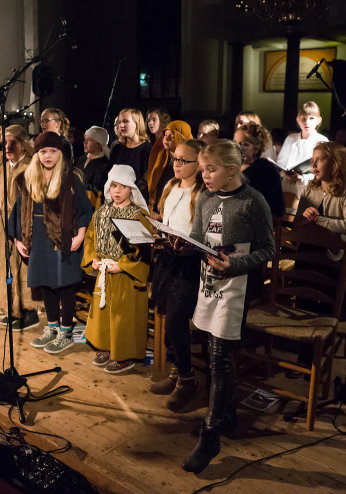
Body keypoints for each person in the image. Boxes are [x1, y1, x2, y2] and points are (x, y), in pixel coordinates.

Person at [181, 140, 274, 473]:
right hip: (210, 281)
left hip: (237, 284)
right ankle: (227, 412)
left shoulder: (252, 202)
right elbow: (198, 235)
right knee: (213, 351)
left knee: (220, 355)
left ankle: (211, 434)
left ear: (232, 171)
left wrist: (235, 265)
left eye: (211, 169)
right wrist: (183, 244)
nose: (204, 175)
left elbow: (268, 249)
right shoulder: (206, 197)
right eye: (203, 168)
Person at [11, 131, 93, 354]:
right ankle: (52, 327)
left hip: (63, 238)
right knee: (46, 285)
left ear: (60, 154)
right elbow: (18, 212)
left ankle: (65, 331)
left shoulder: (70, 179)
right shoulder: (28, 179)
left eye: (53, 151)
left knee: (65, 287)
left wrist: (80, 235)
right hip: (37, 238)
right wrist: (18, 238)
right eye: (43, 151)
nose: (47, 156)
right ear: (37, 154)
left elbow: (85, 210)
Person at [148, 140, 205, 407]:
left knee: (174, 321)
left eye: (184, 160)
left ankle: (187, 378)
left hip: (189, 263)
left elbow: (201, 231)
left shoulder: (202, 193)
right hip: (168, 258)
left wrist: (185, 242)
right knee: (165, 313)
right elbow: (168, 221)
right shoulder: (170, 186)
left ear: (199, 164)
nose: (177, 164)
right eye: (175, 159)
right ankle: (175, 371)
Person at [82, 164, 151, 374]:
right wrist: (93, 259)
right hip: (105, 272)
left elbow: (145, 250)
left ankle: (124, 354)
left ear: (132, 189)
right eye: (113, 186)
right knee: (103, 313)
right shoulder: (102, 212)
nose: (117, 191)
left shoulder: (138, 215)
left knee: (123, 317)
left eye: (123, 186)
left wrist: (122, 266)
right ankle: (105, 345)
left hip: (125, 276)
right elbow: (91, 238)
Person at [0, 125, 43, 328]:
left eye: (13, 143)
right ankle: (13, 309)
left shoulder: (28, 167)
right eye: (5, 142)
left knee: (22, 268)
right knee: (5, 267)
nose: (8, 147)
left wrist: (22, 231)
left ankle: (29, 312)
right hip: (2, 224)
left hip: (21, 223)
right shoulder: (2, 167)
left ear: (23, 145)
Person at [294, 141, 346, 234]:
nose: (313, 165)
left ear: (335, 164)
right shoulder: (310, 188)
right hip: (306, 243)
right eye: (312, 160)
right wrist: (305, 218)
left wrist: (318, 219)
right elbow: (296, 224)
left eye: (319, 159)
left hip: (333, 247)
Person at [276, 102, 329, 207]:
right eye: (303, 118)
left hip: (310, 188)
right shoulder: (291, 138)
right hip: (288, 186)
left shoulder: (322, 141)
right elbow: (281, 162)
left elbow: (324, 169)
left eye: (311, 118)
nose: (307, 122)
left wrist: (303, 178)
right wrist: (286, 173)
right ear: (298, 119)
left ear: (318, 120)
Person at [233, 122, 285, 219]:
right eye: (235, 143)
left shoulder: (266, 170)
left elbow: (271, 208)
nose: (237, 148)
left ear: (256, 149)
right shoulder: (231, 166)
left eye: (244, 144)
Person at [147, 120, 192, 215]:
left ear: (182, 139)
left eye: (171, 137)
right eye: (164, 135)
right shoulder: (160, 156)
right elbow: (147, 180)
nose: (165, 139)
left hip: (174, 215)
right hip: (153, 212)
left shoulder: (190, 163)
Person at [110, 108, 152, 197]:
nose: (121, 125)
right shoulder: (117, 149)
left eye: (125, 121)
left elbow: (146, 181)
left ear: (137, 123)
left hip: (138, 200)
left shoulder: (147, 150)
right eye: (120, 122)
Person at [74, 126, 112, 196]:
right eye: (85, 139)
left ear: (99, 144)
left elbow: (97, 189)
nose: (85, 142)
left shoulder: (104, 165)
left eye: (90, 140)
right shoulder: (81, 159)